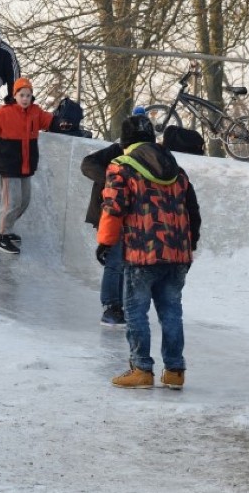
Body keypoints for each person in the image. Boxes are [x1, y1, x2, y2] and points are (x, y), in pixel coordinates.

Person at [98, 115, 201, 390]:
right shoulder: (176, 168)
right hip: (177, 253)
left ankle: (142, 369)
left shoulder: (121, 167)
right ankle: (175, 371)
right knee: (171, 312)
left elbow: (113, 208)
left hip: (142, 253)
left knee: (135, 312)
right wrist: (189, 245)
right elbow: (193, 209)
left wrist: (106, 242)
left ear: (125, 141)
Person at [0, 77, 62, 254]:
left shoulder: (36, 112)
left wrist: (64, 122)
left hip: (26, 165)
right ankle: (1, 236)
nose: (25, 99)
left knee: (24, 201)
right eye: (22, 95)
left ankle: (2, 226)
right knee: (12, 201)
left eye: (28, 95)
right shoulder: (5, 112)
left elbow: (51, 121)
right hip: (9, 165)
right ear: (14, 95)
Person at [81, 141, 126, 328]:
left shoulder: (143, 156)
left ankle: (119, 305)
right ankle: (110, 306)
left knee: (124, 261)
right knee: (115, 261)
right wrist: (109, 180)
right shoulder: (115, 151)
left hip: (128, 216)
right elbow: (87, 164)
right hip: (108, 213)